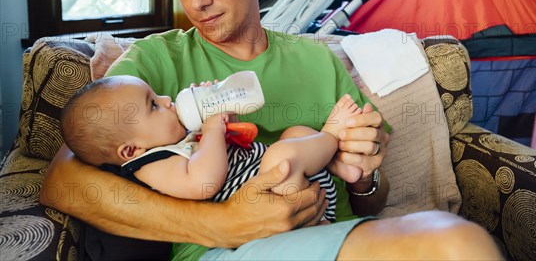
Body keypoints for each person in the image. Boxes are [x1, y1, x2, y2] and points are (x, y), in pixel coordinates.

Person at [42, 0, 502, 260]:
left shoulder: (316, 61)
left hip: (333, 234)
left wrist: (364, 175)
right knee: (456, 245)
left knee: (457, 242)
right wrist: (223, 223)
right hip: (230, 251)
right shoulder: (156, 61)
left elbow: (371, 200)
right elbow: (63, 180)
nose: (197, 1)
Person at [60, 75, 365, 223]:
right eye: (153, 105)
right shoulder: (153, 165)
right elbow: (204, 182)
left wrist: (222, 113)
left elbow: (229, 149)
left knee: (293, 135)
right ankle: (331, 136)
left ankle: (337, 164)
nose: (167, 101)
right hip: (286, 201)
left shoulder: (176, 139)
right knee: (281, 155)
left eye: (158, 95)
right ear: (131, 150)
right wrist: (212, 130)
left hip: (295, 181)